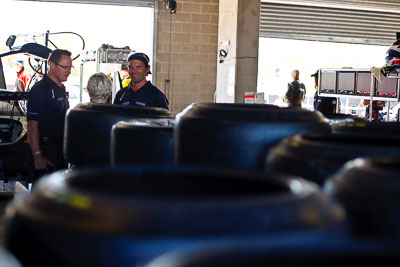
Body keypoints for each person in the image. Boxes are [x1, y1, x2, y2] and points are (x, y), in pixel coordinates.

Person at [26, 49, 71, 182]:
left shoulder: (60, 88)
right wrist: (37, 156)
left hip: (58, 151)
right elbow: (32, 125)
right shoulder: (41, 89)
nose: (68, 71)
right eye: (65, 67)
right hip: (45, 151)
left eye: (70, 67)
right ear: (52, 65)